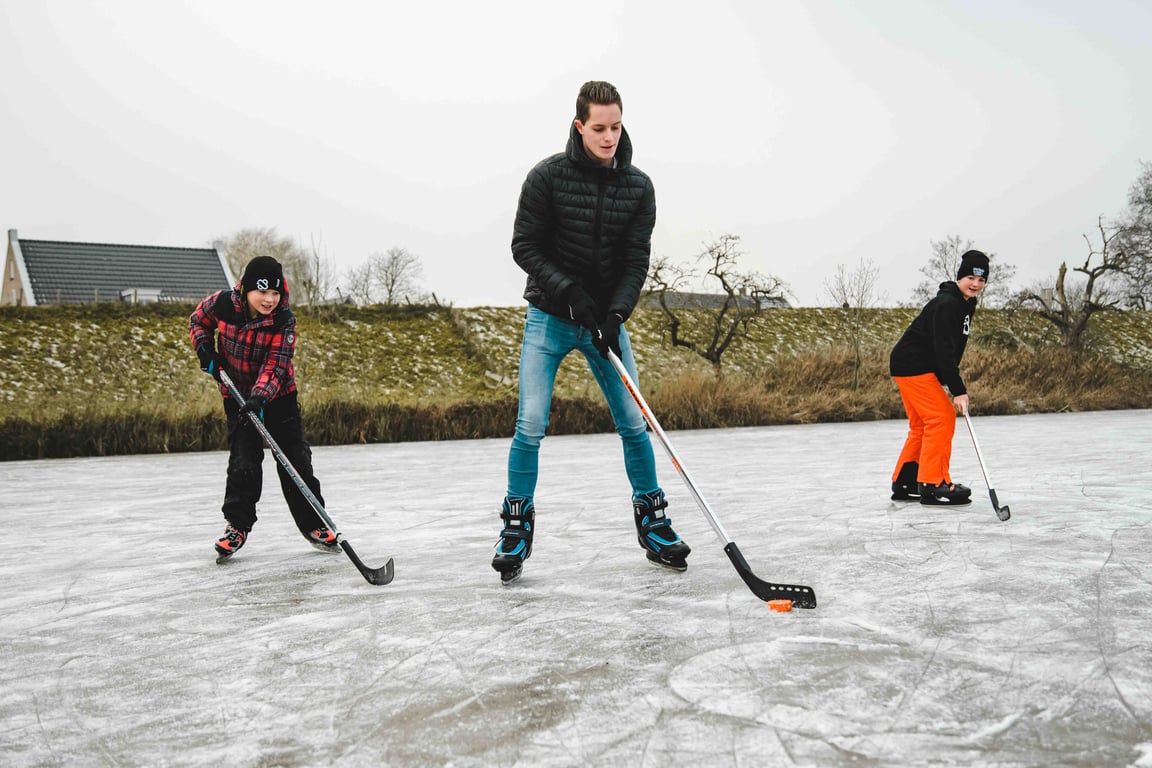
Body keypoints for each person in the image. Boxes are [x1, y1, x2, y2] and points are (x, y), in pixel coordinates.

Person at [491, 80, 691, 584]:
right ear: (579, 125)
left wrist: (615, 315)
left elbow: (635, 260)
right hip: (551, 318)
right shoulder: (547, 177)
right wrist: (572, 295)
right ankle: (516, 525)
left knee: (633, 418)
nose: (608, 137)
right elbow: (525, 246)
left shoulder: (639, 187)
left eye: (616, 127)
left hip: (605, 323)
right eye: (598, 128)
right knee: (531, 422)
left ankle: (654, 520)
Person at [189, 255, 337, 562]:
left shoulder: (285, 320)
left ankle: (314, 524)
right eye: (262, 292)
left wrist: (260, 397)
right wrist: (204, 349)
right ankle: (237, 527)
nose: (269, 299)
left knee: (295, 460)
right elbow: (198, 321)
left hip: (278, 396)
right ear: (245, 289)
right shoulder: (221, 304)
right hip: (236, 395)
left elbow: (277, 363)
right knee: (244, 461)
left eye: (275, 293)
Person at [889, 249, 990, 506]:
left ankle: (906, 480)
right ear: (960, 277)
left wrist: (946, 377)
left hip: (910, 364)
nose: (976, 284)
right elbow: (943, 348)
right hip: (914, 365)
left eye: (981, 280)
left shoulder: (965, 303)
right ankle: (934, 483)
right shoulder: (948, 304)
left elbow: (951, 347)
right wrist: (957, 388)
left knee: (923, 424)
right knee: (941, 417)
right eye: (971, 278)